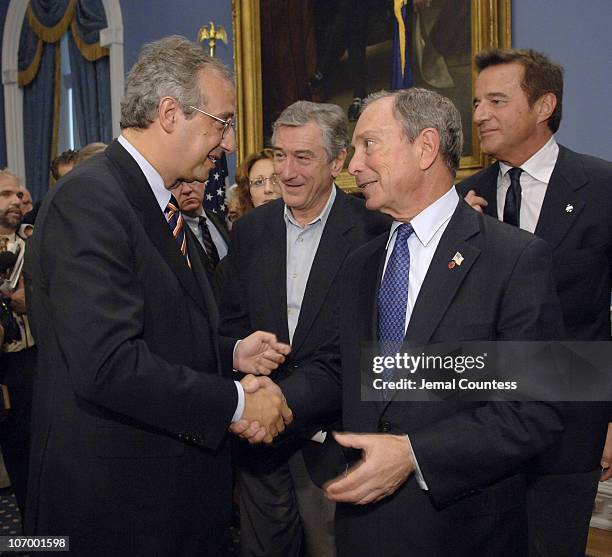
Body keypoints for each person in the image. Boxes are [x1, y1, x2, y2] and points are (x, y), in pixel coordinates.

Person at [24, 35, 292, 557]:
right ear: (171, 113)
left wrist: (230, 354)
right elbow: (108, 364)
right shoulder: (91, 200)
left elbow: (158, 331)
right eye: (224, 121)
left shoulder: (155, 202)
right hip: (113, 509)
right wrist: (236, 401)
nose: (230, 143)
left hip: (162, 498)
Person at [305, 88, 566, 557]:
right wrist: (268, 401)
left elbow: (535, 410)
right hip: (364, 527)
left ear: (425, 147)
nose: (352, 167)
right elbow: (346, 370)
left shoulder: (514, 259)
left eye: (369, 145)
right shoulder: (360, 265)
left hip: (463, 531)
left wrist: (413, 454)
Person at [458, 48, 612, 557]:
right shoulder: (462, 200)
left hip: (572, 427)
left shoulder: (602, 188)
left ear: (544, 106)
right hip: (478, 425)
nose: (479, 114)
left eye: (496, 100)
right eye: (477, 101)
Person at [220, 100, 389, 557]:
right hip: (257, 444)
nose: (286, 171)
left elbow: (366, 349)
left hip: (334, 445)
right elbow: (228, 322)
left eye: (303, 157)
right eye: (279, 155)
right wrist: (248, 379)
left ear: (337, 163)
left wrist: (283, 402)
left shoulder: (375, 233)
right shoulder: (251, 231)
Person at [0, 169, 36, 520]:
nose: (14, 200)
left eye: (16, 193)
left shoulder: (36, 244)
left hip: (35, 360)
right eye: (4, 194)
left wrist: (33, 300)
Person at [234, 148, 282, 214]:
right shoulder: (241, 224)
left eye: (276, 180)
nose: (268, 189)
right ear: (249, 195)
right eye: (258, 182)